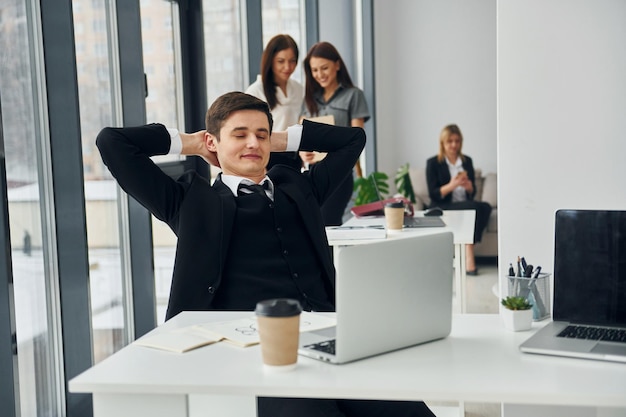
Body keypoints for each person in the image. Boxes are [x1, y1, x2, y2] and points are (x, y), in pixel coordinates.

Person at [96, 91, 434, 417]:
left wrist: (281, 139)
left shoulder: (301, 187)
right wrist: (192, 143)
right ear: (214, 142)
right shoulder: (190, 201)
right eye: (239, 134)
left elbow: (353, 140)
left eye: (261, 135)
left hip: (327, 337)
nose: (253, 143)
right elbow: (112, 143)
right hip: (253, 355)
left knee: (407, 409)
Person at [301, 41, 370, 226]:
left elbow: (358, 137)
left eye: (324, 68)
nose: (319, 74)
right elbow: (300, 134)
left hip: (340, 173)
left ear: (337, 65)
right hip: (313, 173)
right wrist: (303, 152)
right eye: (314, 70)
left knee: (327, 222)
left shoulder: (353, 95)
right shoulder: (308, 100)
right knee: (315, 226)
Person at [425, 124, 492, 275]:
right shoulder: (433, 163)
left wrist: (469, 187)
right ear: (443, 143)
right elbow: (433, 194)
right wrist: (451, 185)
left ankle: (468, 244)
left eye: (457, 141)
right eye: (450, 141)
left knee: (485, 207)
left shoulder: (467, 161)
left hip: (465, 203)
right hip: (443, 205)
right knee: (472, 208)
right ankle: (469, 256)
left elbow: (472, 192)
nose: (454, 145)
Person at [245, 34, 304, 170]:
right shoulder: (256, 91)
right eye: (281, 61)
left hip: (295, 157)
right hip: (268, 158)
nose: (287, 67)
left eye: (292, 61)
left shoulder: (299, 88)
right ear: (270, 61)